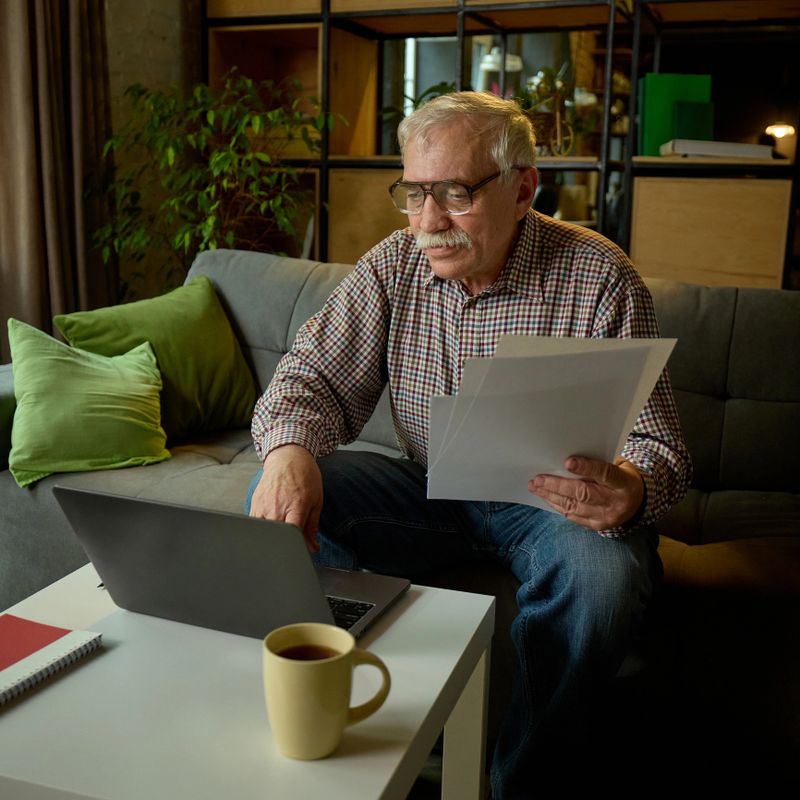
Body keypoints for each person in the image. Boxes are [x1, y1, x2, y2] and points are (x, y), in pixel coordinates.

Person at [248, 91, 690, 797]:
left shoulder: (600, 275)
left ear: (523, 189)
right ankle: (377, 727)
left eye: (455, 194)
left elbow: (659, 444)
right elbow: (311, 379)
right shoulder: (393, 265)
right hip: (427, 490)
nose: (428, 221)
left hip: (550, 506)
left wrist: (631, 489)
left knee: (604, 578)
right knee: (289, 497)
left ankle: (522, 780)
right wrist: (287, 453)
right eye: (415, 193)